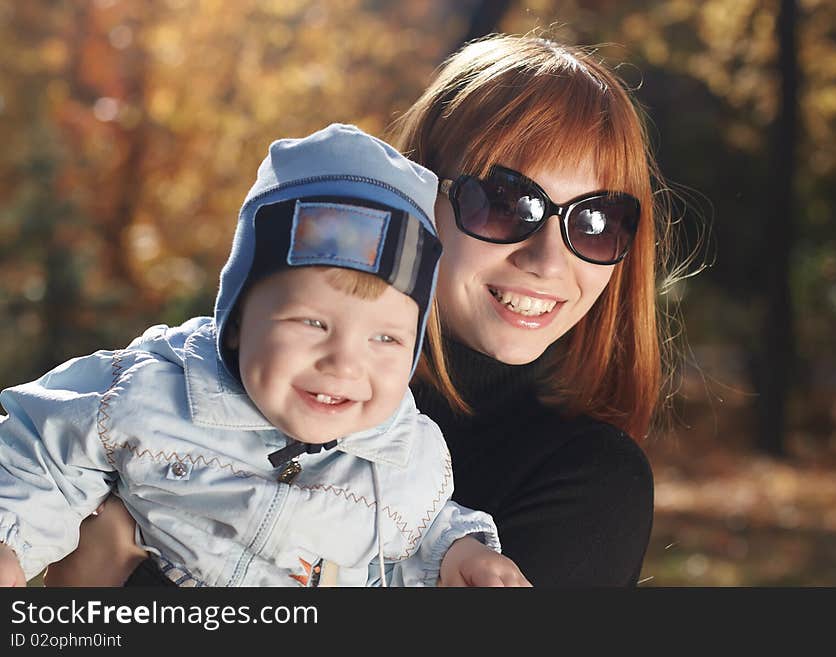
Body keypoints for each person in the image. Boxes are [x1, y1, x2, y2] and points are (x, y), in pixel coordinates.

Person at [45, 33, 676, 587]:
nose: (547, 259)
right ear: (416, 204)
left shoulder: (590, 486)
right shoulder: (217, 383)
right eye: (506, 203)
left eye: (597, 220)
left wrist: (112, 583)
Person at [0, 123, 530, 588]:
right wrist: (9, 542)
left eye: (385, 339)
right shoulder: (151, 392)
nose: (344, 364)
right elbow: (42, 454)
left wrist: (458, 554)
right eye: (312, 323)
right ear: (237, 321)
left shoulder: (404, 456)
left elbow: (420, 532)